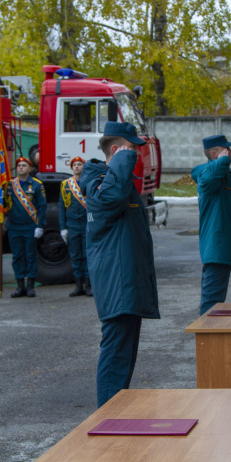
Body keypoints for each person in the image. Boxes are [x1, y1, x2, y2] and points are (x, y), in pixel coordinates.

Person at [79, 121, 160, 407]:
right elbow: (110, 199)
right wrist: (122, 159)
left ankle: (114, 413)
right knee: (115, 357)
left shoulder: (117, 181)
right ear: (116, 150)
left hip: (127, 284)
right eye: (131, 150)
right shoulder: (101, 184)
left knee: (123, 357)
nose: (136, 155)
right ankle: (107, 419)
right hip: (118, 285)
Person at [190, 134, 231, 315]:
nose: (230, 152)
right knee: (211, 303)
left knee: (216, 301)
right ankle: (205, 342)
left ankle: (212, 340)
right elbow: (207, 181)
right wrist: (222, 161)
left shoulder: (221, 173)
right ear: (214, 153)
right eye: (226, 149)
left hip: (223, 247)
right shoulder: (208, 174)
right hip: (216, 247)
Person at [4, 157, 46, 298]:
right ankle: (20, 286)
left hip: (30, 226)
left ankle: (30, 287)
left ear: (30, 168)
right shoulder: (9, 185)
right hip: (14, 227)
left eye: (24, 165)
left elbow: (42, 206)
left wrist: (40, 226)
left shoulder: (36, 185)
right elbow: (2, 203)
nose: (21, 167)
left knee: (30, 256)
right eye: (19, 165)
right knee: (17, 256)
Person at [59, 156, 92, 297]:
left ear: (84, 167)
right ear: (71, 168)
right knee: (75, 255)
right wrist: (63, 227)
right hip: (72, 225)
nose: (77, 167)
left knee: (87, 255)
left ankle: (89, 286)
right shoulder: (65, 184)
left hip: (86, 224)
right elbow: (61, 206)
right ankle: (78, 285)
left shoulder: (89, 183)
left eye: (80, 164)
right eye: (75, 165)